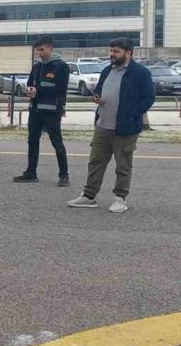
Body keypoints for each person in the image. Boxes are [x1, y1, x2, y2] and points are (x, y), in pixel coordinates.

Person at [68, 37, 156, 213]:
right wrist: (97, 98)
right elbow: (99, 91)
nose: (112, 55)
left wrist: (131, 115)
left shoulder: (140, 73)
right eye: (111, 51)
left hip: (125, 129)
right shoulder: (107, 70)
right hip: (103, 126)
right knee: (95, 162)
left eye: (116, 51)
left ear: (128, 53)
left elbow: (149, 98)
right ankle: (89, 196)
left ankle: (120, 198)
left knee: (123, 165)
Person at [14, 36, 70, 186]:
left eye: (42, 49)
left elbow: (60, 89)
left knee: (56, 142)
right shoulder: (37, 66)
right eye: (37, 50)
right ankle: (31, 172)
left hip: (52, 111)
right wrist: (30, 90)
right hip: (35, 110)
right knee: (32, 141)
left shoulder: (61, 66)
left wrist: (38, 90)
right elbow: (30, 83)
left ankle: (64, 175)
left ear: (51, 49)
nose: (39, 53)